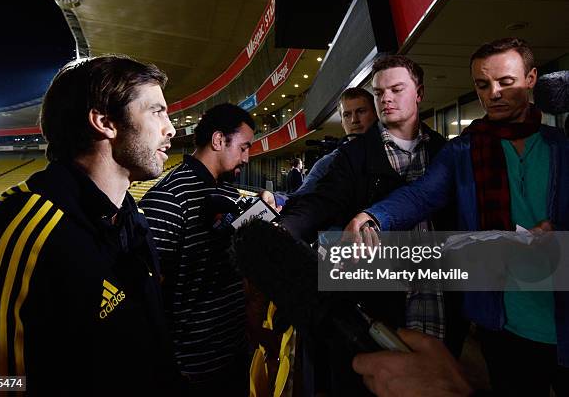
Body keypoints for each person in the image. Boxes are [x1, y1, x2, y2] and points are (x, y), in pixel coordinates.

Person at [347, 38, 569, 396]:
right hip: (502, 323)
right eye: (482, 85)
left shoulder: (562, 146)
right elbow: (421, 194)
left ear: (530, 79)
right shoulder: (462, 150)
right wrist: (373, 216)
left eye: (505, 82)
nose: (493, 93)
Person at [0, 55, 181, 393]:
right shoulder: (23, 237)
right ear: (105, 122)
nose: (171, 128)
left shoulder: (131, 218)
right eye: (157, 112)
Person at [280, 55, 465, 396]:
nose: (387, 99)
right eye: (380, 93)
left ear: (419, 92)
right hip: (381, 315)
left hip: (440, 307)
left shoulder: (447, 153)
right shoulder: (349, 157)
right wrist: (283, 229)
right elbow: (321, 201)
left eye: (396, 89)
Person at [139, 103, 255, 396]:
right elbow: (146, 294)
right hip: (192, 370)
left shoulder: (228, 191)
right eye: (243, 147)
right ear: (218, 140)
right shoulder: (169, 198)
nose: (247, 157)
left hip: (235, 352)